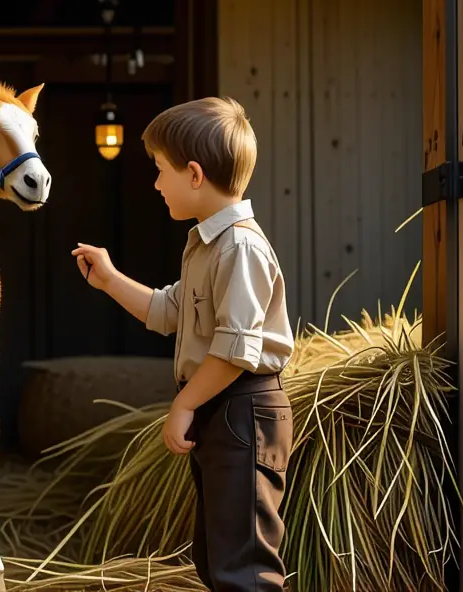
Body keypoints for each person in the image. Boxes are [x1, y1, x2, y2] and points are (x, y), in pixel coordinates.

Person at [71, 97, 295, 592]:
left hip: (244, 408)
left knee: (244, 567)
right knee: (216, 557)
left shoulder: (239, 247)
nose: (155, 184)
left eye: (159, 170)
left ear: (194, 174)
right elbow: (168, 311)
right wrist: (110, 280)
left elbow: (235, 351)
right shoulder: (208, 244)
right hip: (224, 407)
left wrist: (184, 404)